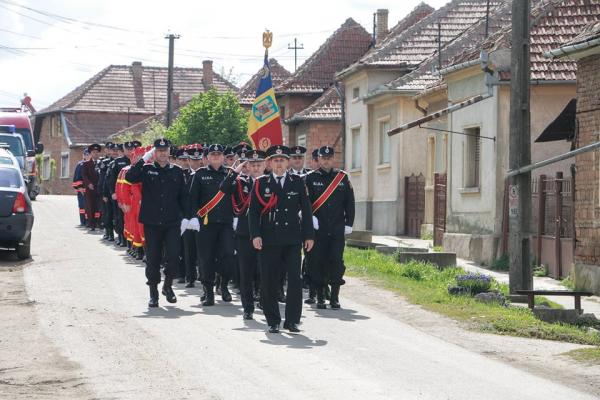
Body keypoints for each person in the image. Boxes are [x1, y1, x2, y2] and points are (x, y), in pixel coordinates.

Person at [248, 145, 314, 333]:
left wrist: (309, 235)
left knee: (295, 280)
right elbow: (253, 212)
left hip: (292, 239)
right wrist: (255, 235)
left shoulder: (298, 182)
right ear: (269, 163)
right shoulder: (261, 183)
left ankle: (292, 320)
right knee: (269, 280)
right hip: (269, 239)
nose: (279, 163)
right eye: (275, 160)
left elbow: (306, 210)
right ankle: (273, 320)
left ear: (288, 162)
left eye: (283, 160)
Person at [125, 138, 188, 308]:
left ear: (169, 152)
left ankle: (168, 286)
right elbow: (130, 178)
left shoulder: (177, 171)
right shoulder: (146, 169)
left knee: (174, 256)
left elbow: (183, 197)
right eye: (159, 151)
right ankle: (153, 293)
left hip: (172, 222)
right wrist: (143, 159)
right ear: (154, 152)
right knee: (153, 258)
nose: (162, 153)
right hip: (152, 222)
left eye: (165, 150)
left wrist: (189, 217)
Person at [188, 144, 244, 306]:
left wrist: (236, 217)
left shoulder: (229, 174)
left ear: (223, 157)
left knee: (228, 255)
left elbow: (236, 197)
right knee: (206, 258)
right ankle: (208, 291)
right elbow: (192, 198)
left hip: (226, 223)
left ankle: (223, 285)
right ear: (207, 158)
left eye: (219, 155)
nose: (216, 157)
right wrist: (192, 218)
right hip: (205, 223)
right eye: (213, 155)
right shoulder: (200, 174)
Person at [305, 146, 355, 309]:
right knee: (317, 262)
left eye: (329, 158)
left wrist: (349, 224)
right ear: (318, 159)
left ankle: (334, 297)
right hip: (318, 229)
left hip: (337, 228)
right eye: (323, 158)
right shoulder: (310, 178)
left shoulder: (342, 178)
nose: (326, 160)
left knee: (336, 262)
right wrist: (309, 218)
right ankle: (320, 296)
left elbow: (350, 203)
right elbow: (305, 203)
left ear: (333, 159)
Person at [233, 149, 265, 320]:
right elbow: (224, 187)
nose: (256, 167)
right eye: (252, 164)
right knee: (246, 272)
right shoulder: (240, 182)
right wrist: (237, 169)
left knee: (265, 270)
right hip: (245, 233)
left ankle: (264, 300)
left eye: (259, 164)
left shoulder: (270, 182)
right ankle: (248, 307)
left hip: (266, 233)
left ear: (264, 165)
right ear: (247, 166)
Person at [81, 143, 102, 231]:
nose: (95, 154)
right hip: (90, 188)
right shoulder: (86, 164)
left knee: (99, 206)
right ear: (90, 153)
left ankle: (99, 223)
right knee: (90, 206)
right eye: (93, 152)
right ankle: (91, 224)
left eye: (97, 152)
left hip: (99, 188)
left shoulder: (102, 163)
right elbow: (84, 175)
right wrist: (88, 184)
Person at [72, 149, 89, 226]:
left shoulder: (93, 164)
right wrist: (79, 188)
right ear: (83, 155)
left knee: (90, 206)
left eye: (88, 154)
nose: (87, 156)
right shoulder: (80, 165)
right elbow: (76, 178)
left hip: (90, 190)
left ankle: (89, 221)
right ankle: (83, 221)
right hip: (82, 190)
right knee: (82, 206)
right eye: (86, 154)